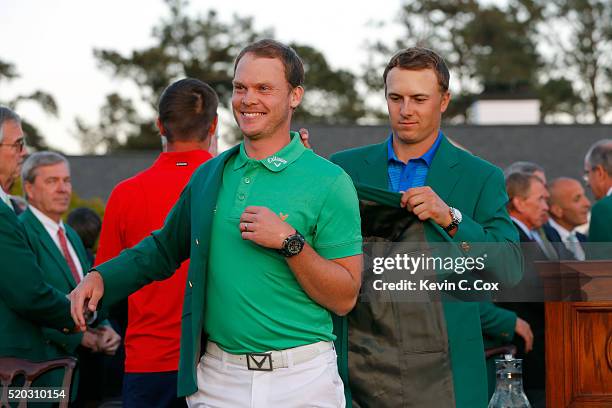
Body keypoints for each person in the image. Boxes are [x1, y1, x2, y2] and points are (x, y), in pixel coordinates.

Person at [70, 40, 363, 408]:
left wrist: (291, 242)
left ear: (295, 96)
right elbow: (163, 248)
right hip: (219, 380)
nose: (247, 99)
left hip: (302, 380)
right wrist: (101, 277)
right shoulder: (209, 175)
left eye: (264, 88)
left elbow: (345, 296)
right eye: (241, 88)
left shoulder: (330, 181)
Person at [329, 47, 522, 408]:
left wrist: (451, 218)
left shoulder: (481, 177)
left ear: (444, 100)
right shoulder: (342, 169)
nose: (405, 110)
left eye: (419, 98)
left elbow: (509, 267)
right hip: (359, 368)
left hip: (448, 375)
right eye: (395, 98)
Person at [94, 78, 218, 408]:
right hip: (215, 360)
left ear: (159, 125)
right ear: (215, 125)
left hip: (147, 363)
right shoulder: (229, 186)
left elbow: (105, 282)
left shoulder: (125, 194)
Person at [19, 151, 121, 405]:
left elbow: (88, 289)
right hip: (42, 375)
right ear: (29, 188)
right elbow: (26, 302)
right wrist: (79, 337)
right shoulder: (20, 233)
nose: (63, 189)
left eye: (66, 181)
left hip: (86, 371)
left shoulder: (71, 236)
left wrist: (106, 328)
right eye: (52, 181)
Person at [0, 106, 75, 364]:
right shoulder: (4, 215)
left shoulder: (71, 235)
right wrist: (75, 315)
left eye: (66, 181)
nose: (24, 153)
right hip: (15, 378)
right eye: (18, 144)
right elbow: (29, 293)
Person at [547, 177, 590, 260]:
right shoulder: (545, 242)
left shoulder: (584, 240)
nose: (587, 203)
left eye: (584, 196)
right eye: (577, 199)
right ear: (557, 210)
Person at [584, 139, 612, 259]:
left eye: (587, 173)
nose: (587, 183)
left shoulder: (604, 209)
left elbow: (597, 269)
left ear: (600, 172)